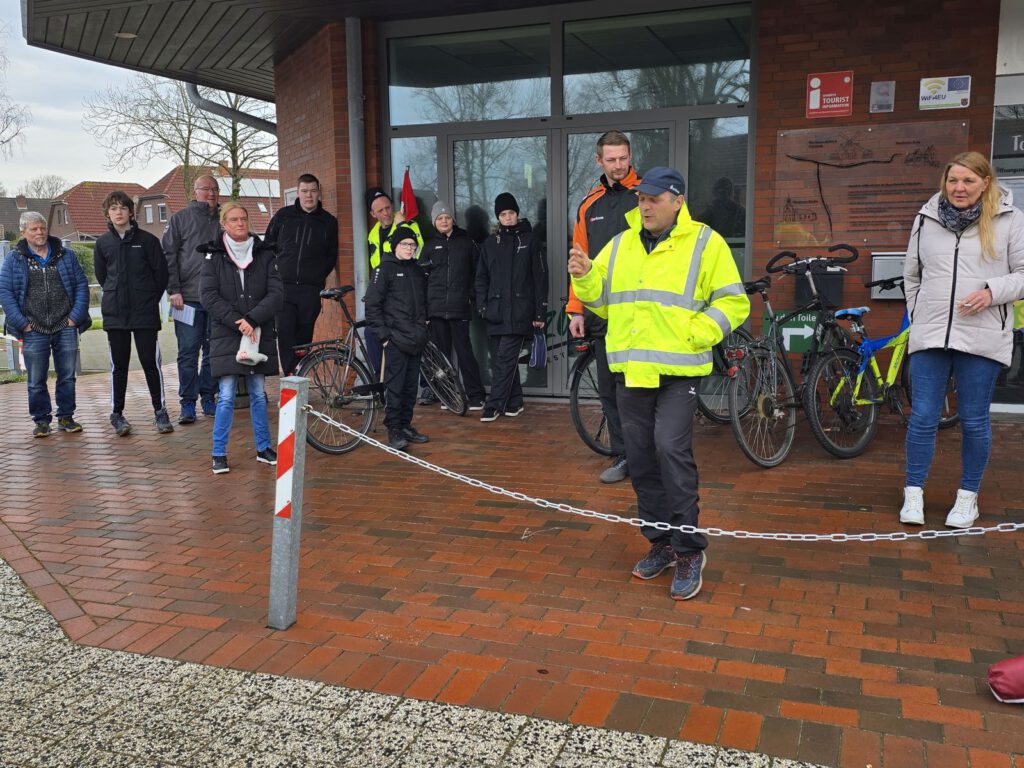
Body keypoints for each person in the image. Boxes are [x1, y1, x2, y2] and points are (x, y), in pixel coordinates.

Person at [569, 167, 749, 601]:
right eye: (641, 199)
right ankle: (661, 544)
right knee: (641, 456)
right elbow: (602, 301)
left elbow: (734, 301)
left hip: (679, 372)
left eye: (653, 198)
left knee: (671, 450)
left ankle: (689, 551)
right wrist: (584, 274)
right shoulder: (622, 243)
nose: (644, 205)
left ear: (677, 200)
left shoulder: (706, 242)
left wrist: (697, 332)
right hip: (632, 371)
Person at [899, 151, 1024, 528]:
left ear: (986, 182)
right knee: (921, 417)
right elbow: (912, 274)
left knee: (972, 420)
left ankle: (968, 497)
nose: (959, 188)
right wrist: (919, 313)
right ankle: (914, 494)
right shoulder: (927, 218)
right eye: (953, 180)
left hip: (983, 334)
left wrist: (991, 291)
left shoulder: (1009, 220)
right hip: (931, 333)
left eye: (968, 180)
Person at [567, 130, 641, 484]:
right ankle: (624, 456)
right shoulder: (588, 205)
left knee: (641, 389)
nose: (617, 165)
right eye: (610, 159)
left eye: (622, 158)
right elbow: (578, 262)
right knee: (610, 390)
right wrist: (576, 310)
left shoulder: (646, 196)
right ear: (599, 160)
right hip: (601, 314)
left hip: (642, 313)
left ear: (630, 156)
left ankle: (648, 455)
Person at [199, 202, 283, 474]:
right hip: (227, 334)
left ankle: (263, 448)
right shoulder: (213, 256)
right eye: (233, 219)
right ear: (224, 223)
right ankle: (219, 453)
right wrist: (239, 322)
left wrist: (253, 320)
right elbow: (208, 296)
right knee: (225, 395)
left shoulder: (265, 253)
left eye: (243, 219)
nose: (239, 223)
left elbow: (276, 293)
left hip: (258, 333)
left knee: (259, 394)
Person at [0, 211, 91, 437]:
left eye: (42, 227)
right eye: (34, 229)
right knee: (36, 379)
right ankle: (41, 420)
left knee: (67, 376)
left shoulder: (65, 255)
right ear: (23, 232)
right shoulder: (14, 259)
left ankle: (66, 417)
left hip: (65, 326)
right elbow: (5, 292)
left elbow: (81, 286)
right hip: (33, 329)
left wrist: (74, 318)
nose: (40, 232)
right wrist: (22, 323)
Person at [94, 191, 173, 436]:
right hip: (116, 315)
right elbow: (102, 276)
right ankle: (117, 414)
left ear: (131, 212)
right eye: (113, 208)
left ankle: (160, 412)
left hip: (144, 314)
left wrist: (146, 298)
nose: (118, 212)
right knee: (119, 366)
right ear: (108, 213)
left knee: (151, 363)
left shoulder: (148, 241)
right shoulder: (102, 243)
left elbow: (161, 276)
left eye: (122, 208)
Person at [475, 192, 548, 422]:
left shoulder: (530, 240)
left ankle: (494, 404)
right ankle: (515, 402)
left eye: (511, 213)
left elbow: (540, 278)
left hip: (520, 312)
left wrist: (539, 312)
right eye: (503, 214)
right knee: (501, 359)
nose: (507, 217)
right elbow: (481, 277)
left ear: (517, 214)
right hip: (495, 312)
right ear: (498, 217)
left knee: (504, 358)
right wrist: (483, 307)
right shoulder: (490, 243)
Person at [264, 173, 339, 375]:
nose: (309, 196)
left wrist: (316, 277)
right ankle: (291, 382)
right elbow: (267, 247)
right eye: (305, 191)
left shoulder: (328, 222)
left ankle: (299, 378)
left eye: (313, 191)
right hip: (284, 288)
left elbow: (331, 256)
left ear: (319, 193)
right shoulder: (283, 216)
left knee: (304, 338)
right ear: (298, 193)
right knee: (286, 335)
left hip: (310, 290)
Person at [364, 225, 430, 451]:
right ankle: (393, 429)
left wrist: (424, 326)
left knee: (411, 387)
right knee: (395, 387)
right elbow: (372, 306)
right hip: (395, 340)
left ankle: (406, 425)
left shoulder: (417, 270)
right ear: (395, 246)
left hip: (416, 339)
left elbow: (424, 303)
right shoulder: (384, 269)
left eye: (412, 245)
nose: (409, 248)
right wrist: (385, 338)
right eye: (405, 244)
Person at [163, 173, 221, 424]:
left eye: (215, 189)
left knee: (213, 351)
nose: (211, 193)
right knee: (188, 352)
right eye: (206, 189)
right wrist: (173, 289)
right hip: (187, 298)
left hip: (218, 299)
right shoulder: (180, 219)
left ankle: (209, 397)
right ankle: (188, 403)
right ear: (195, 192)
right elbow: (169, 255)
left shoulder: (225, 218)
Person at [422, 201, 486, 410]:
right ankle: (447, 396)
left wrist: (471, 296)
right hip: (436, 310)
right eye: (439, 218)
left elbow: (479, 273)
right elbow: (422, 278)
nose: (443, 221)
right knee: (441, 357)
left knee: (465, 352)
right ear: (434, 222)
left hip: (459, 308)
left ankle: (476, 395)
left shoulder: (467, 243)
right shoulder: (429, 246)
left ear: (453, 220)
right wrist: (425, 310)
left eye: (447, 217)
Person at [364, 187, 423, 379]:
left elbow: (413, 253)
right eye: (380, 210)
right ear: (373, 214)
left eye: (388, 208)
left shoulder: (409, 226)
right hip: (385, 293)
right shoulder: (372, 234)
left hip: (406, 292)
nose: (386, 213)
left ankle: (425, 385)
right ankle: (380, 377)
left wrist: (400, 227)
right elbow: (378, 264)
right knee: (372, 333)